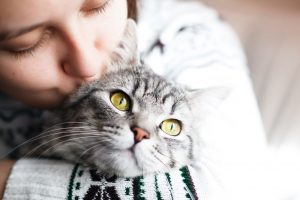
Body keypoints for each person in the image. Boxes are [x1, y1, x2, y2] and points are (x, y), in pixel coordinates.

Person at [0, 0, 269, 199]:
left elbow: (232, 188)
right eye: (26, 42)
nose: (88, 64)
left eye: (97, 6)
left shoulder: (189, 35)